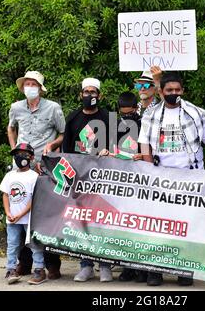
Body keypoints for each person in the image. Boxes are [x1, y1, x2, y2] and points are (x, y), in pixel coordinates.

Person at [138, 71, 205, 286]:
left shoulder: (195, 113)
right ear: (161, 91)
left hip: (191, 180)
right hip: (161, 180)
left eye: (177, 90)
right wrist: (148, 172)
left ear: (182, 90)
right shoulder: (150, 115)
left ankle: (185, 270)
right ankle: (156, 270)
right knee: (159, 226)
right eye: (169, 90)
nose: (174, 93)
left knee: (187, 226)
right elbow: (145, 147)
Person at [8, 71, 65, 279]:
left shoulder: (53, 108)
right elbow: (11, 129)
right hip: (22, 168)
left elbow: (62, 133)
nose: (30, 87)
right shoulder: (16, 107)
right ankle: (25, 262)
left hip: (44, 168)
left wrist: (53, 144)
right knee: (21, 212)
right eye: (27, 84)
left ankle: (52, 264)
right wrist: (15, 150)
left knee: (45, 216)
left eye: (34, 84)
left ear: (40, 88)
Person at [62, 77, 113, 282]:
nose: (89, 96)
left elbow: (119, 146)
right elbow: (66, 150)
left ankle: (106, 265)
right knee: (81, 222)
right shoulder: (72, 118)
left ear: (99, 96)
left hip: (103, 177)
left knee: (102, 221)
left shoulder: (109, 117)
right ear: (80, 95)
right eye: (86, 92)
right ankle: (86, 265)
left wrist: (110, 150)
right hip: (80, 178)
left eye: (93, 93)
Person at [98, 91, 147, 283]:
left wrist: (142, 156)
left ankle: (142, 268)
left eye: (130, 113)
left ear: (136, 109)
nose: (126, 116)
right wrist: (105, 151)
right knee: (124, 226)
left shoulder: (144, 123)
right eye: (123, 113)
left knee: (140, 226)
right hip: (121, 182)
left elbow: (150, 149)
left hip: (141, 181)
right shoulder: (113, 125)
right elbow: (108, 148)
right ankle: (127, 267)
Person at [0, 143, 46, 285]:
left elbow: (34, 199)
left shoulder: (34, 176)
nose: (19, 157)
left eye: (24, 154)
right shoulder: (9, 175)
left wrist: (20, 214)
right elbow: (6, 195)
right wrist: (8, 213)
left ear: (31, 158)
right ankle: (11, 269)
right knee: (12, 244)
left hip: (29, 218)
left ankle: (39, 269)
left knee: (34, 244)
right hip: (12, 219)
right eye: (17, 154)